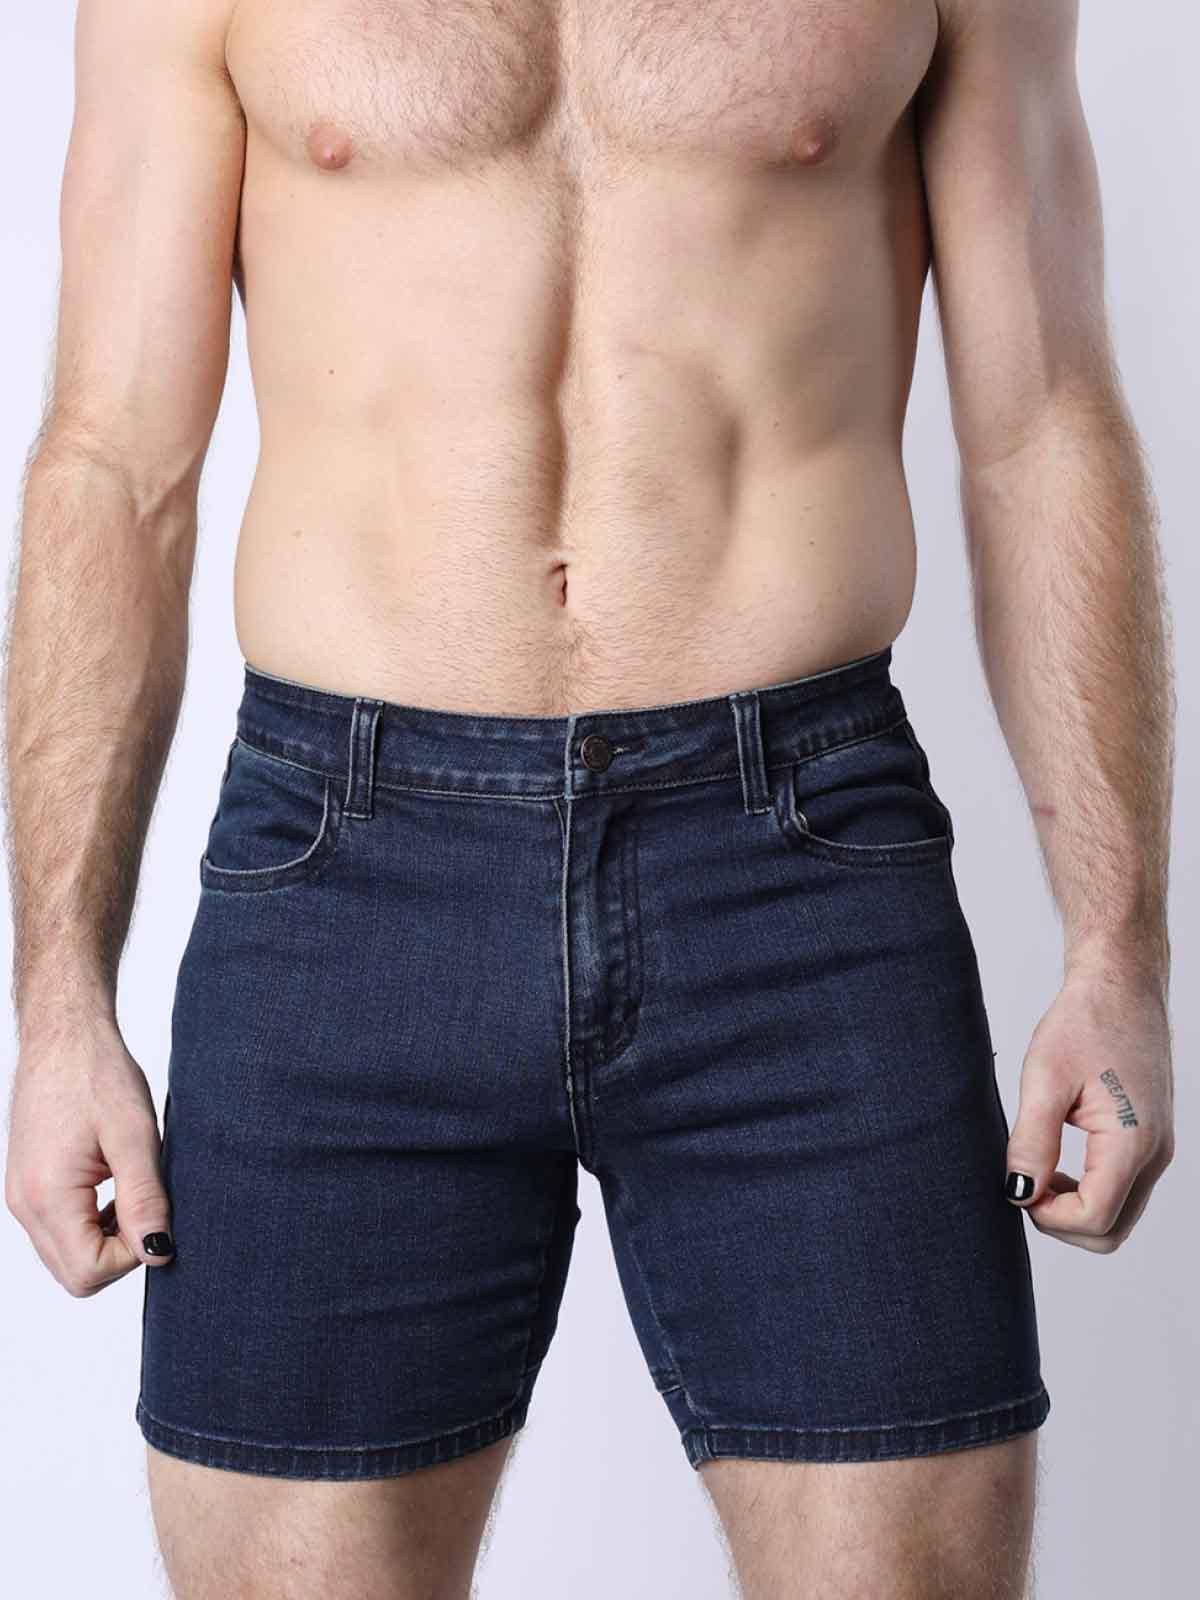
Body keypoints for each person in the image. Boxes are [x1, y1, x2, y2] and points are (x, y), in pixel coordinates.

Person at [2, 0, 1175, 1595]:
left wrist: (1119, 950)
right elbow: (113, 460)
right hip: (346, 875)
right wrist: (57, 1003)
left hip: (799, 871)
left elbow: (1042, 428)